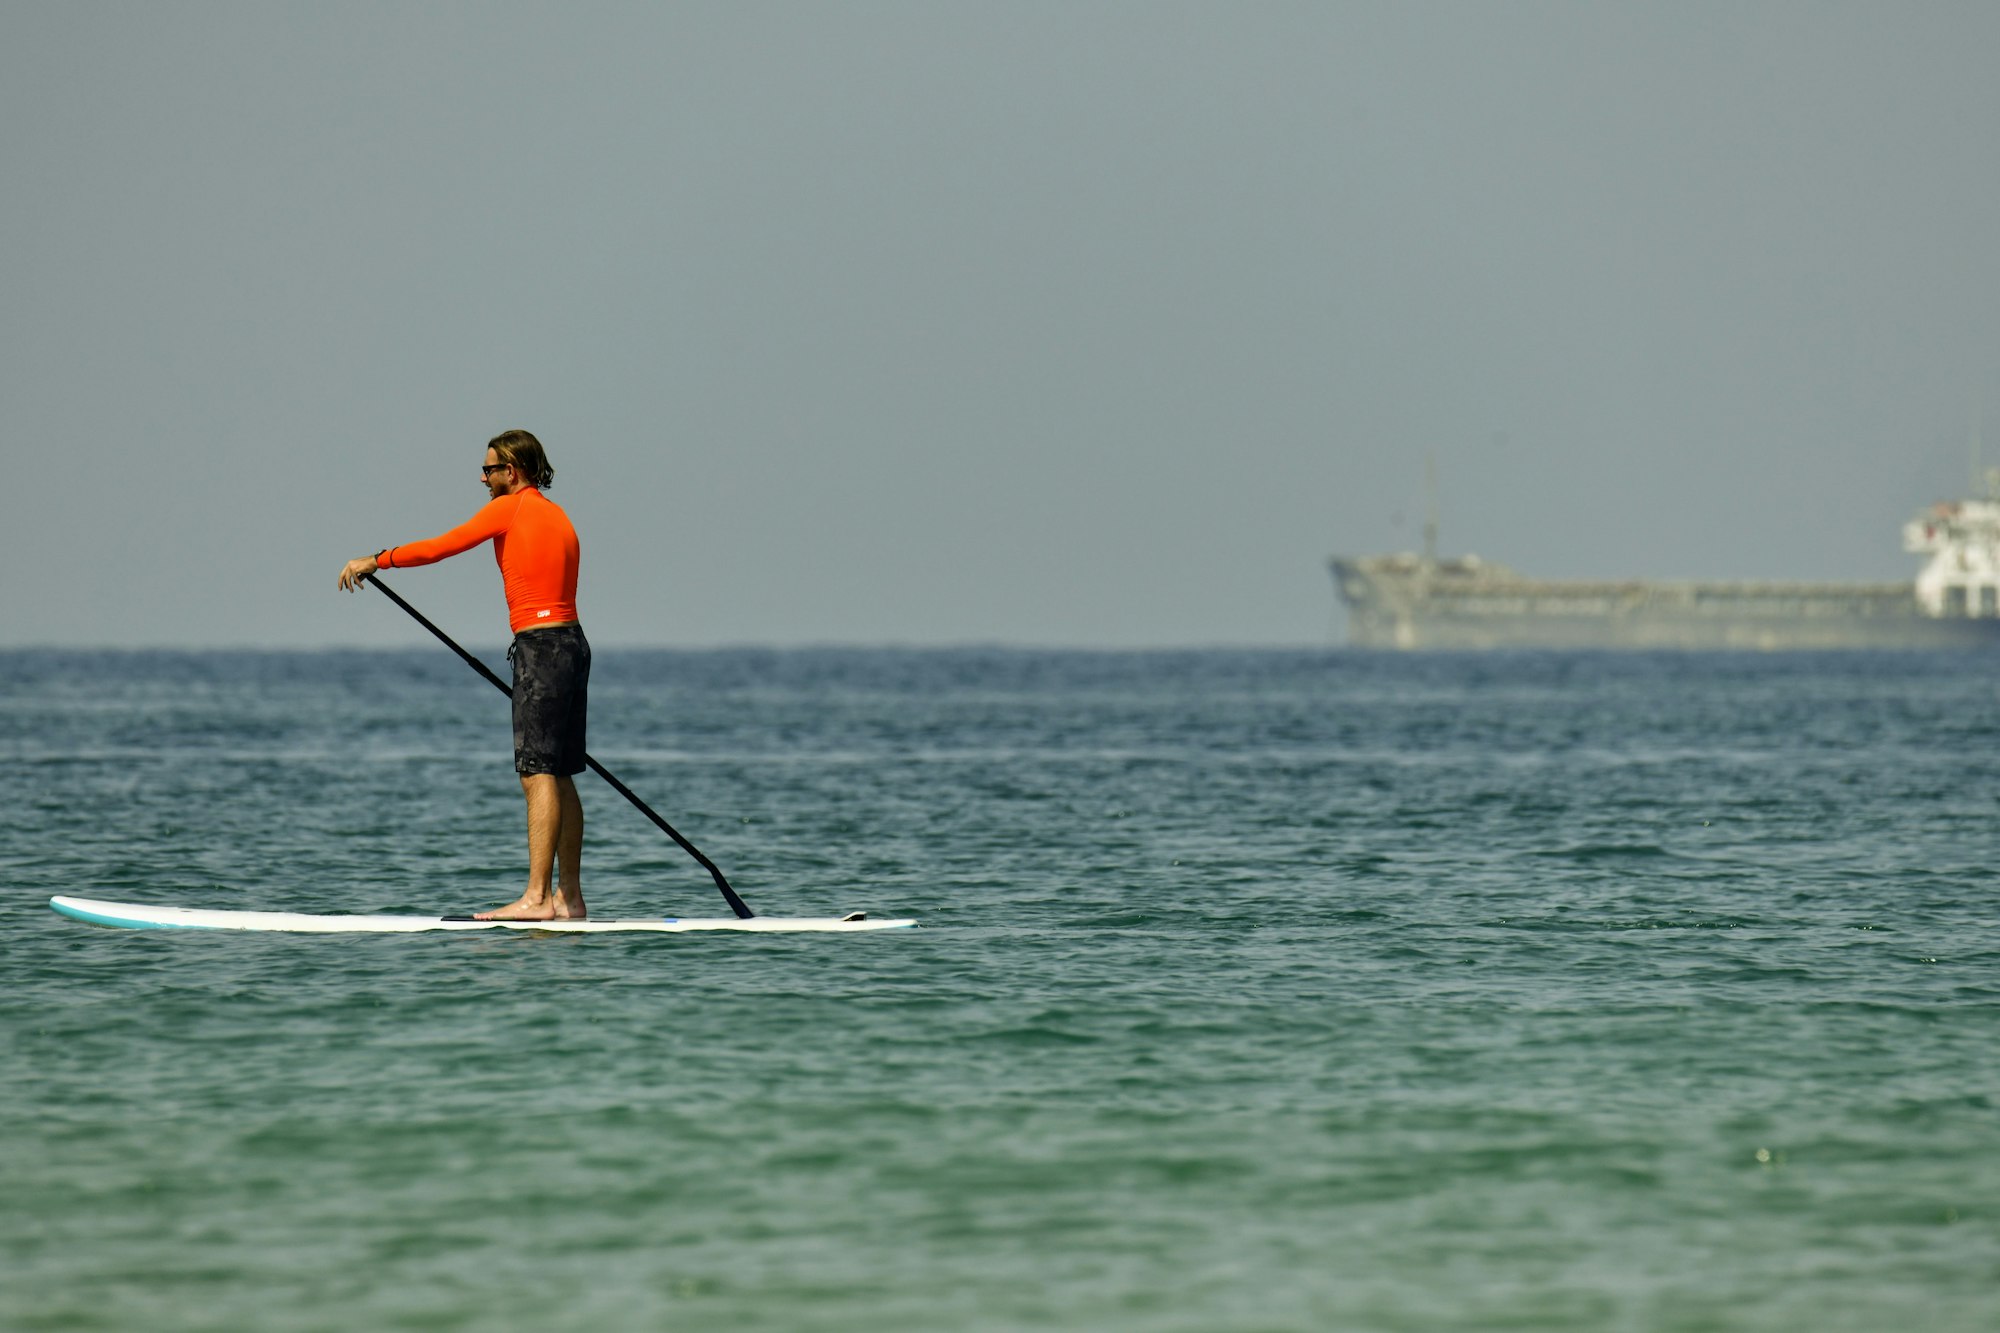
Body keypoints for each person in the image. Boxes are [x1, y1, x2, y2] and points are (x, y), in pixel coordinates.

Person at [337, 430, 590, 921]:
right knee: (559, 774)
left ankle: (537, 899)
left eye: (489, 469)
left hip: (541, 651)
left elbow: (441, 546)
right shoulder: (558, 514)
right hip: (572, 645)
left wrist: (377, 559)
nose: (483, 477)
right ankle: (570, 899)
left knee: (537, 773)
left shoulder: (512, 507)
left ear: (511, 472)